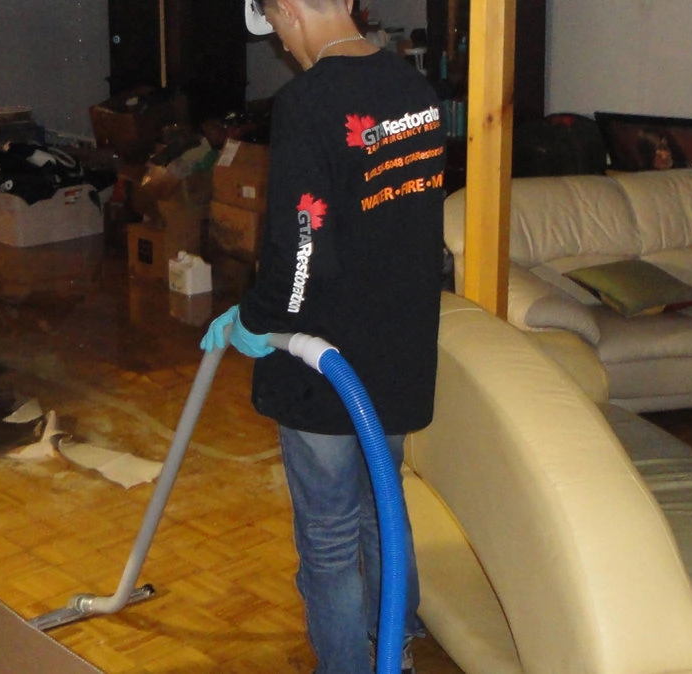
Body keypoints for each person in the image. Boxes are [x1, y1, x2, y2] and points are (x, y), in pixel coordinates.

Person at [202, 1, 446, 671]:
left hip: (327, 361)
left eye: (275, 25)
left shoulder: (308, 102)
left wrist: (255, 318)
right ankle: (395, 640)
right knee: (380, 508)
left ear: (287, 9)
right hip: (398, 352)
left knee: (332, 536)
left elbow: (303, 250)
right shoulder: (414, 89)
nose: (281, 42)